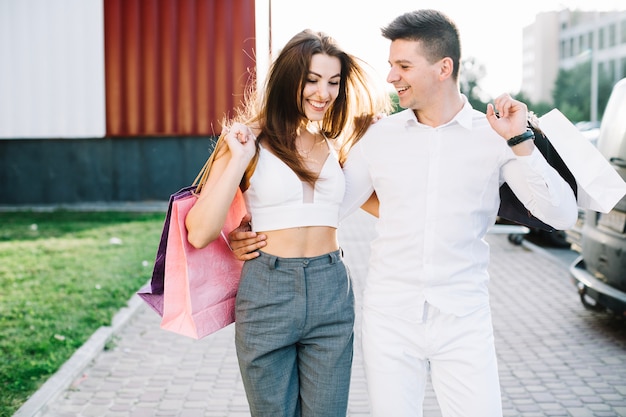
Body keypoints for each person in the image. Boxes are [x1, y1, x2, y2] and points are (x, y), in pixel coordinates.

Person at [228, 9, 579, 417]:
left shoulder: (495, 135)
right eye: (391, 65)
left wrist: (521, 141)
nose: (391, 77)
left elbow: (562, 216)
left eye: (403, 66)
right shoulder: (379, 136)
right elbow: (326, 205)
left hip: (463, 319)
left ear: (443, 68)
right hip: (389, 320)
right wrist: (253, 232)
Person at [185, 29, 389, 417]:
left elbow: (387, 208)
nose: (323, 93)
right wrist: (239, 158)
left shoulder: (335, 144)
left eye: (333, 82)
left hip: (331, 289)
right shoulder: (248, 139)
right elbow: (199, 231)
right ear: (287, 79)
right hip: (267, 291)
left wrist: (378, 140)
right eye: (311, 80)